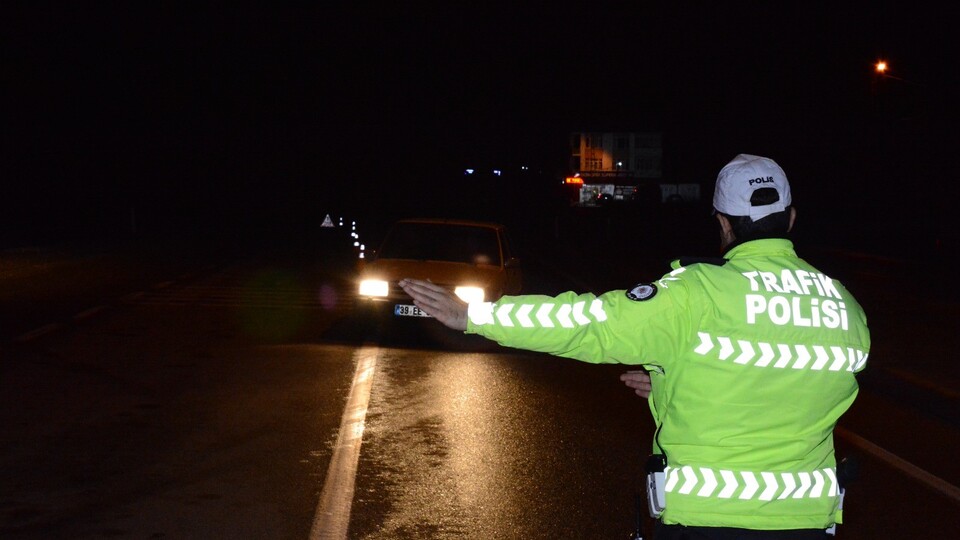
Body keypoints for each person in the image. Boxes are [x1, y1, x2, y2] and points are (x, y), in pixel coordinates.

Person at [399, 154, 870, 539]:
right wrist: (675, 382)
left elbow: (588, 323)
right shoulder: (844, 306)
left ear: (724, 224)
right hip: (810, 523)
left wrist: (474, 316)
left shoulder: (697, 294)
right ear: (790, 218)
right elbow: (786, 382)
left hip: (708, 522)